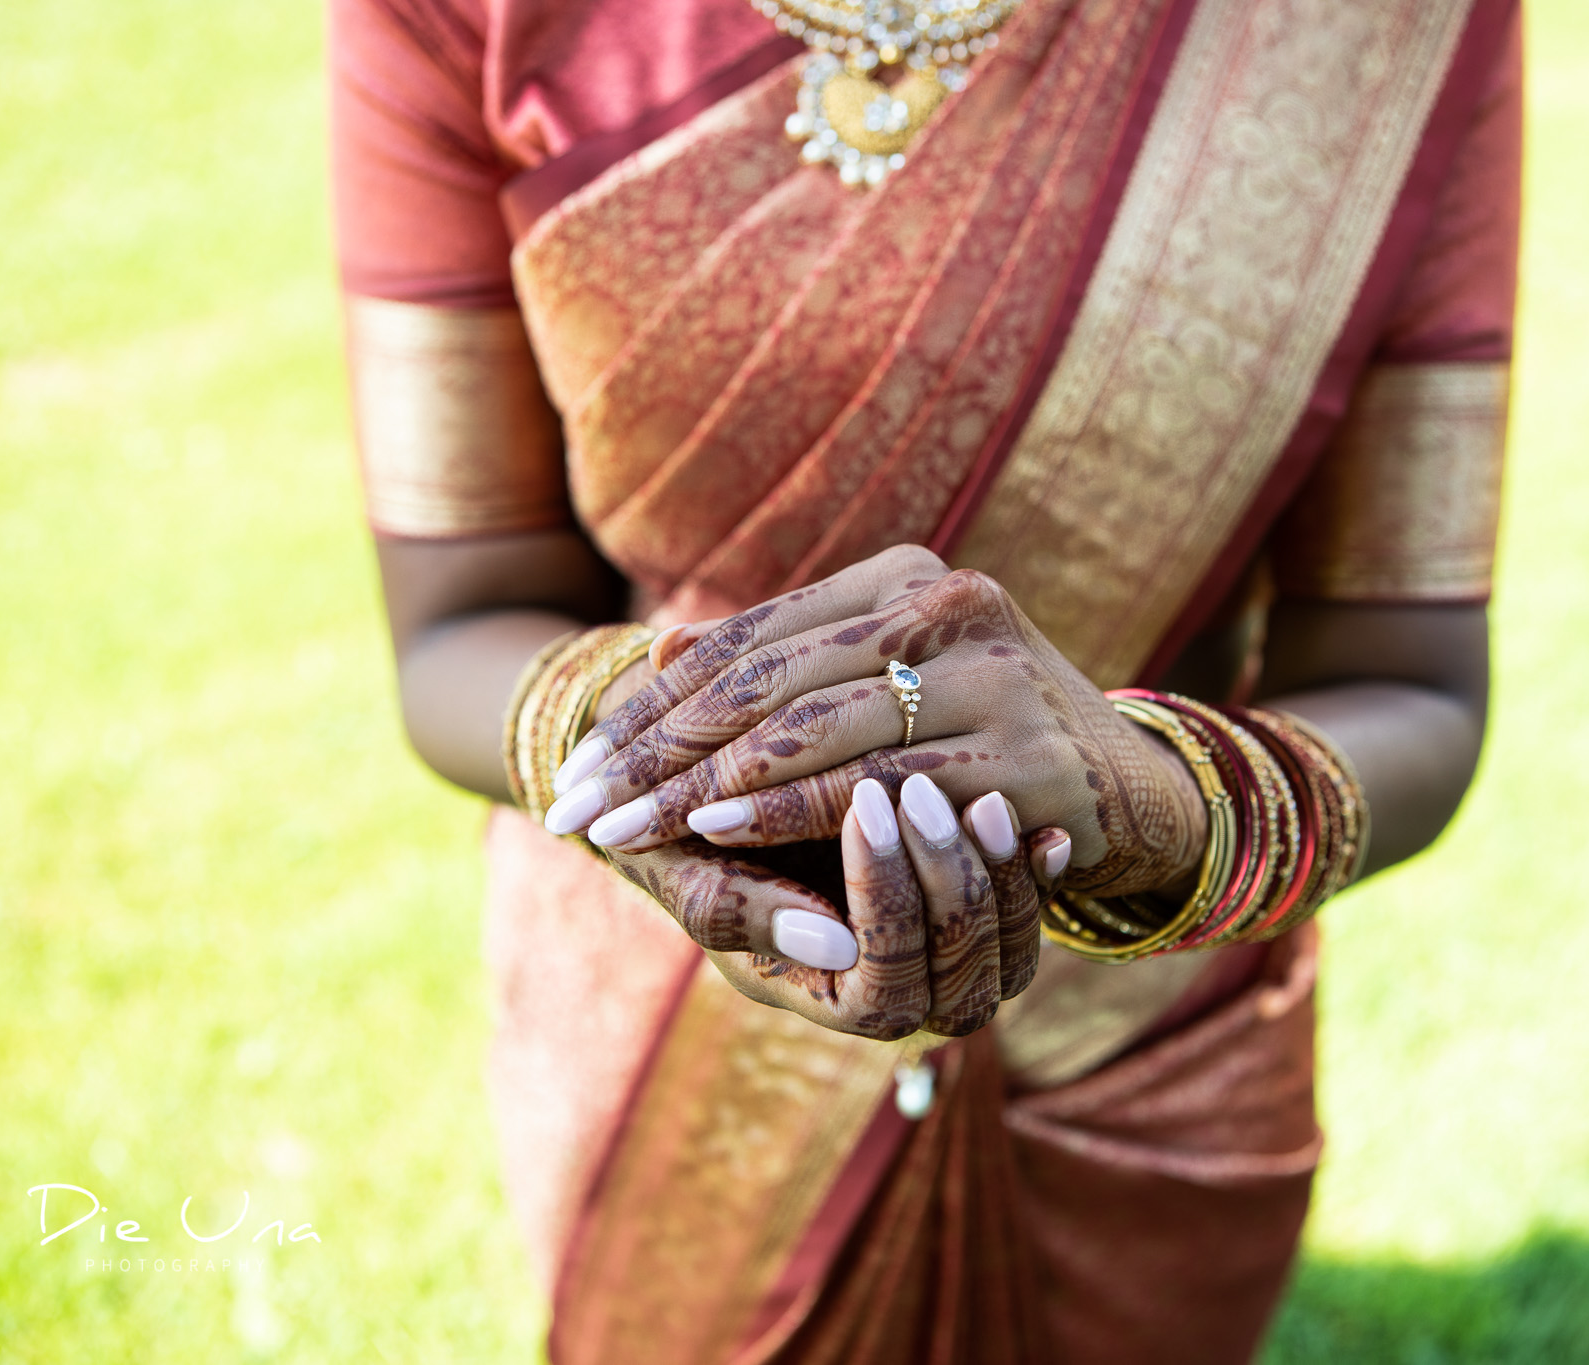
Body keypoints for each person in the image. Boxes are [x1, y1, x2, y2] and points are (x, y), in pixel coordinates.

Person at [330, 0, 1521, 1357]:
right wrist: (657, 749)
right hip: (663, 1026)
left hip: (1131, 1068)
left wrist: (1159, 802)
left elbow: (1410, 679)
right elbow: (459, 622)